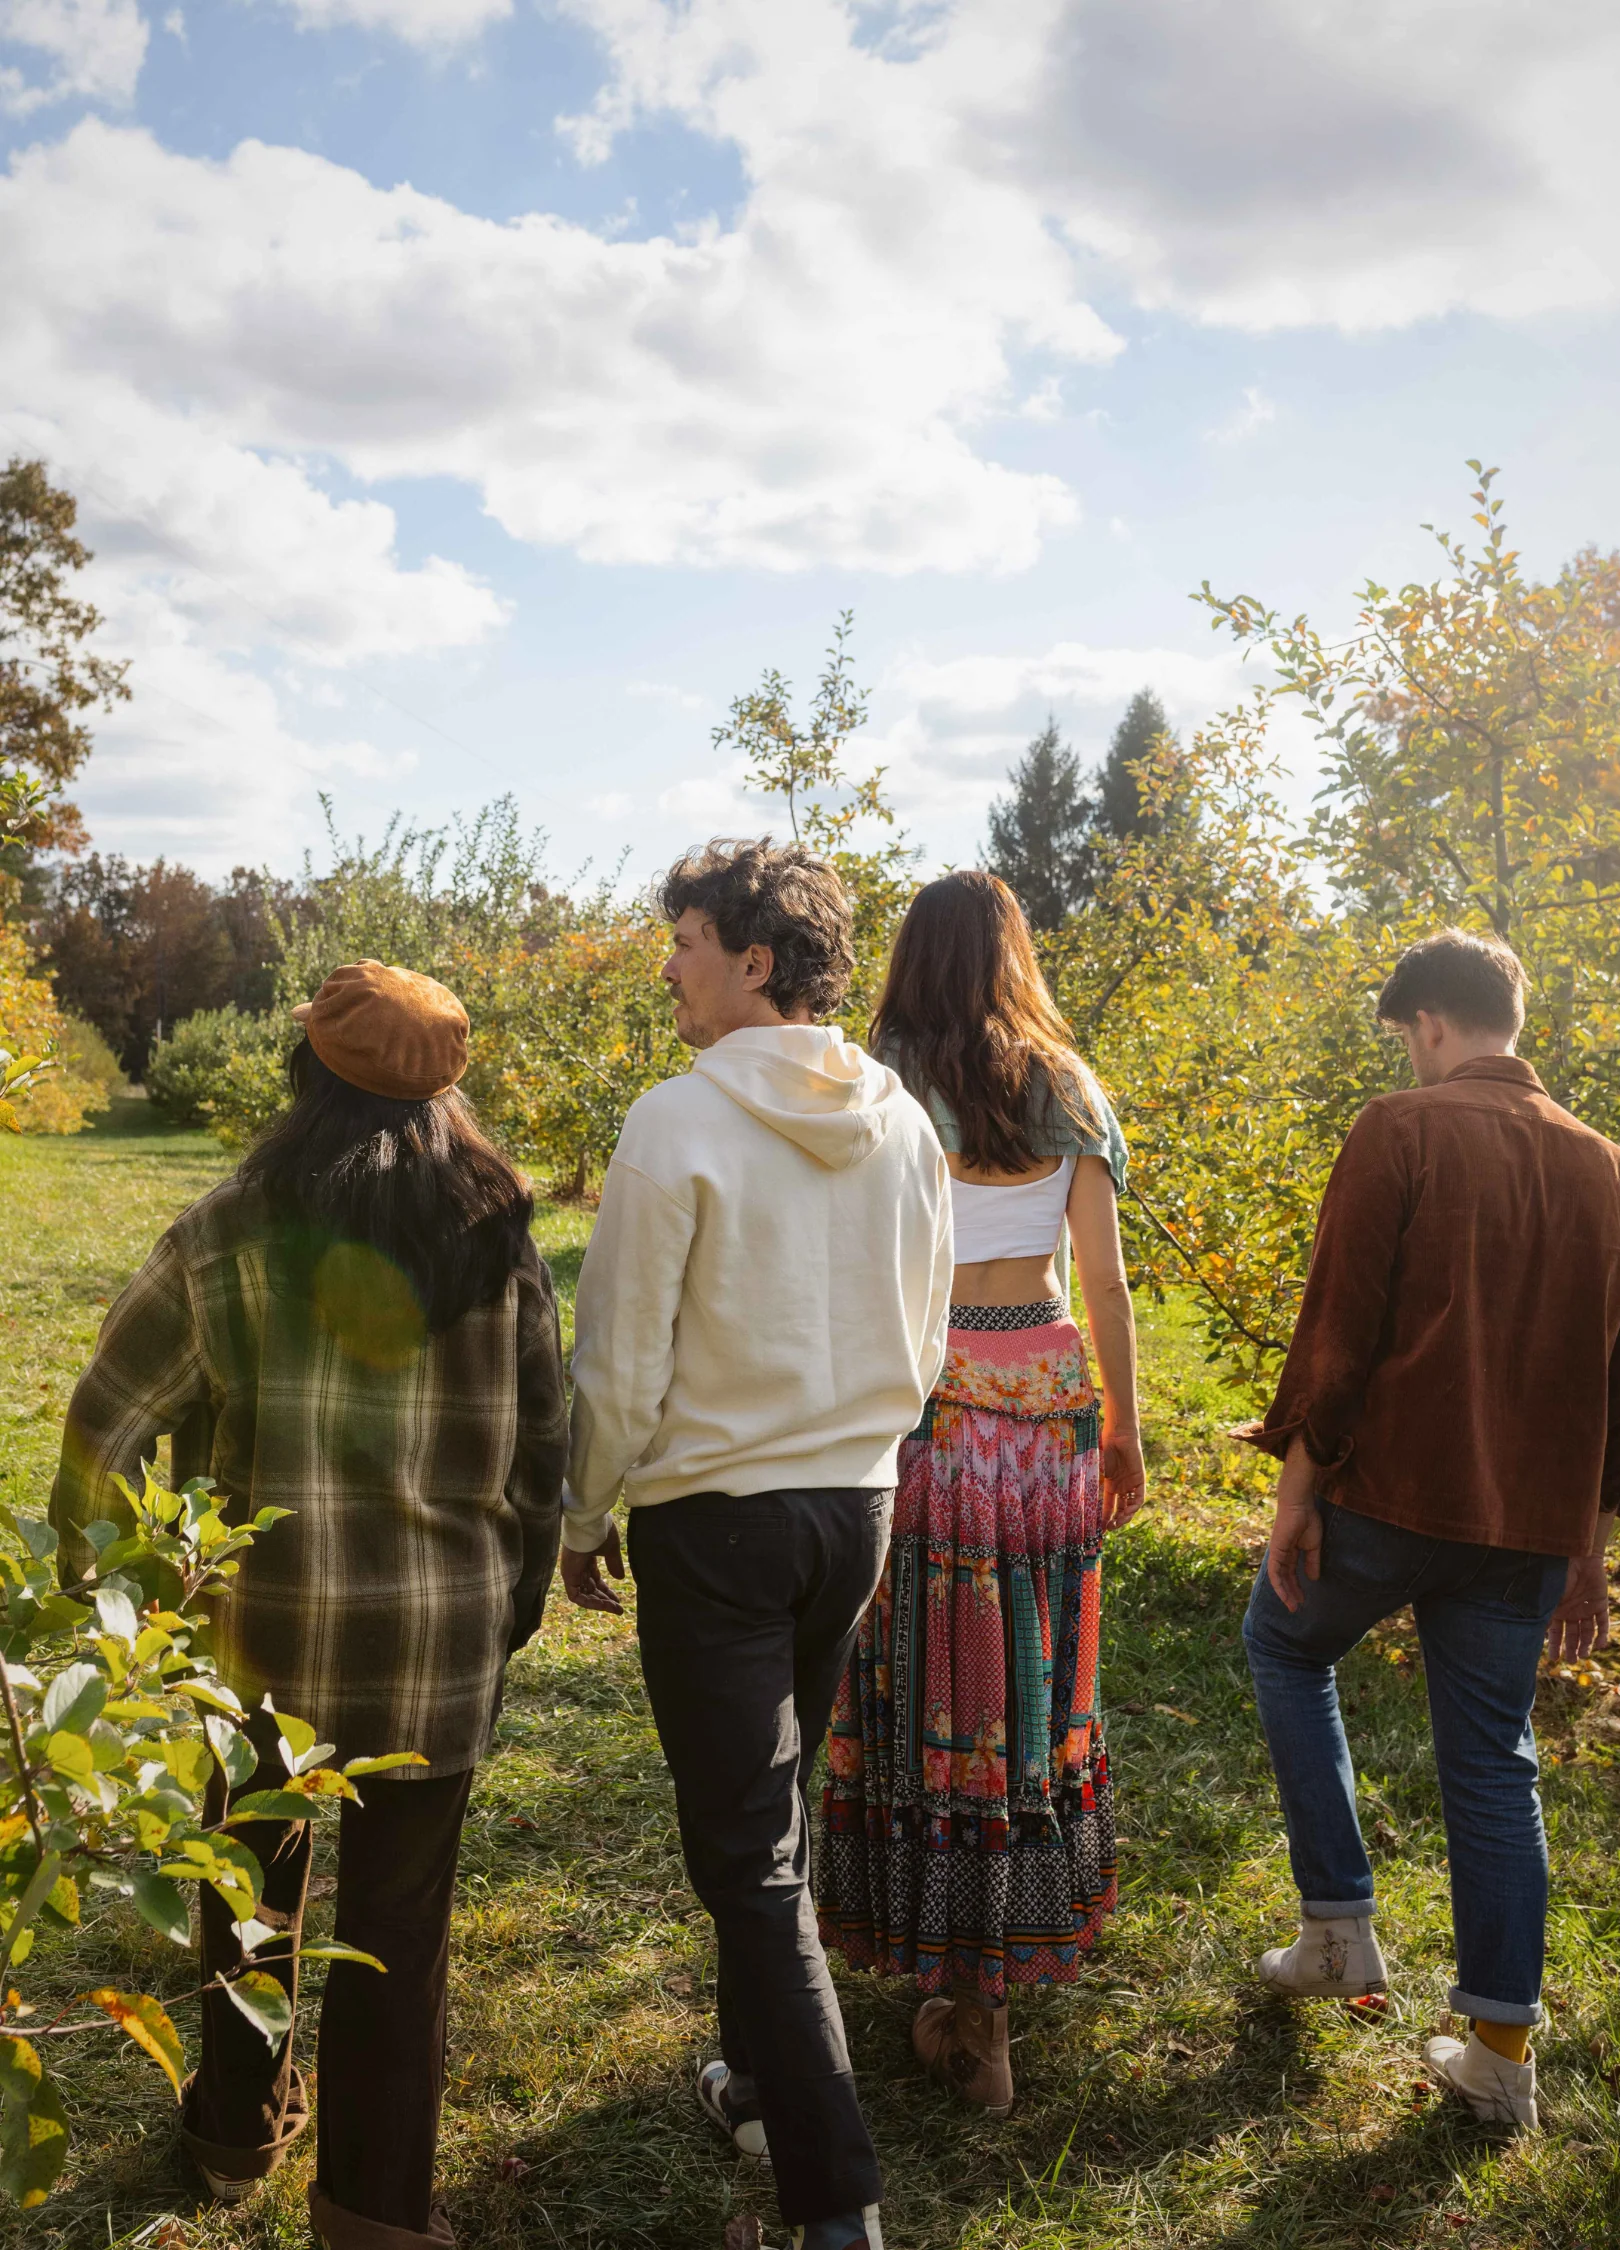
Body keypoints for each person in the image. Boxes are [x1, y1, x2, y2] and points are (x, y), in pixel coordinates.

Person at [51, 960, 568, 2250]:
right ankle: (376, 2215)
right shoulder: (500, 1237)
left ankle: (235, 2127)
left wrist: (114, 1592)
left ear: (305, 1077)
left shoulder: (226, 1229)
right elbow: (543, 1448)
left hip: (258, 1641)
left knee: (245, 1888)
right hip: (438, 1641)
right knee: (399, 1934)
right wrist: (515, 1598)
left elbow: (104, 1430)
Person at [562, 840, 952, 2250]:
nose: (666, 965)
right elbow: (928, 1329)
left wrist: (583, 1511)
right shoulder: (902, 1119)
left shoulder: (674, 1120)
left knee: (747, 1856)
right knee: (768, 1827)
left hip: (718, 1520)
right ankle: (756, 2085)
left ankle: (836, 2199)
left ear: (756, 959)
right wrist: (865, 1450)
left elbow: (620, 1353)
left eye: (684, 941)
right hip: (853, 1509)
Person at [1240, 928, 1620, 2131]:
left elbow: (1339, 1329)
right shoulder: (1611, 1168)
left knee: (1283, 1645)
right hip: (1523, 1528)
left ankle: (1336, 1926)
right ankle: (1499, 2057)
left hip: (1388, 1497)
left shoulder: (1399, 1128)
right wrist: (1589, 1547)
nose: (1408, 1058)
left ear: (1427, 1023)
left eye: (1405, 1040)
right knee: (1492, 1763)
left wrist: (1296, 1490)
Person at [816, 870, 1147, 2120]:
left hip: (928, 1394)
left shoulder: (875, 1083)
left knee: (926, 1671)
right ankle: (990, 1989)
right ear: (1014, 955)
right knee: (1026, 1676)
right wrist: (1125, 1431)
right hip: (1046, 1401)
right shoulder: (1066, 1084)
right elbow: (1103, 1282)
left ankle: (946, 1966)